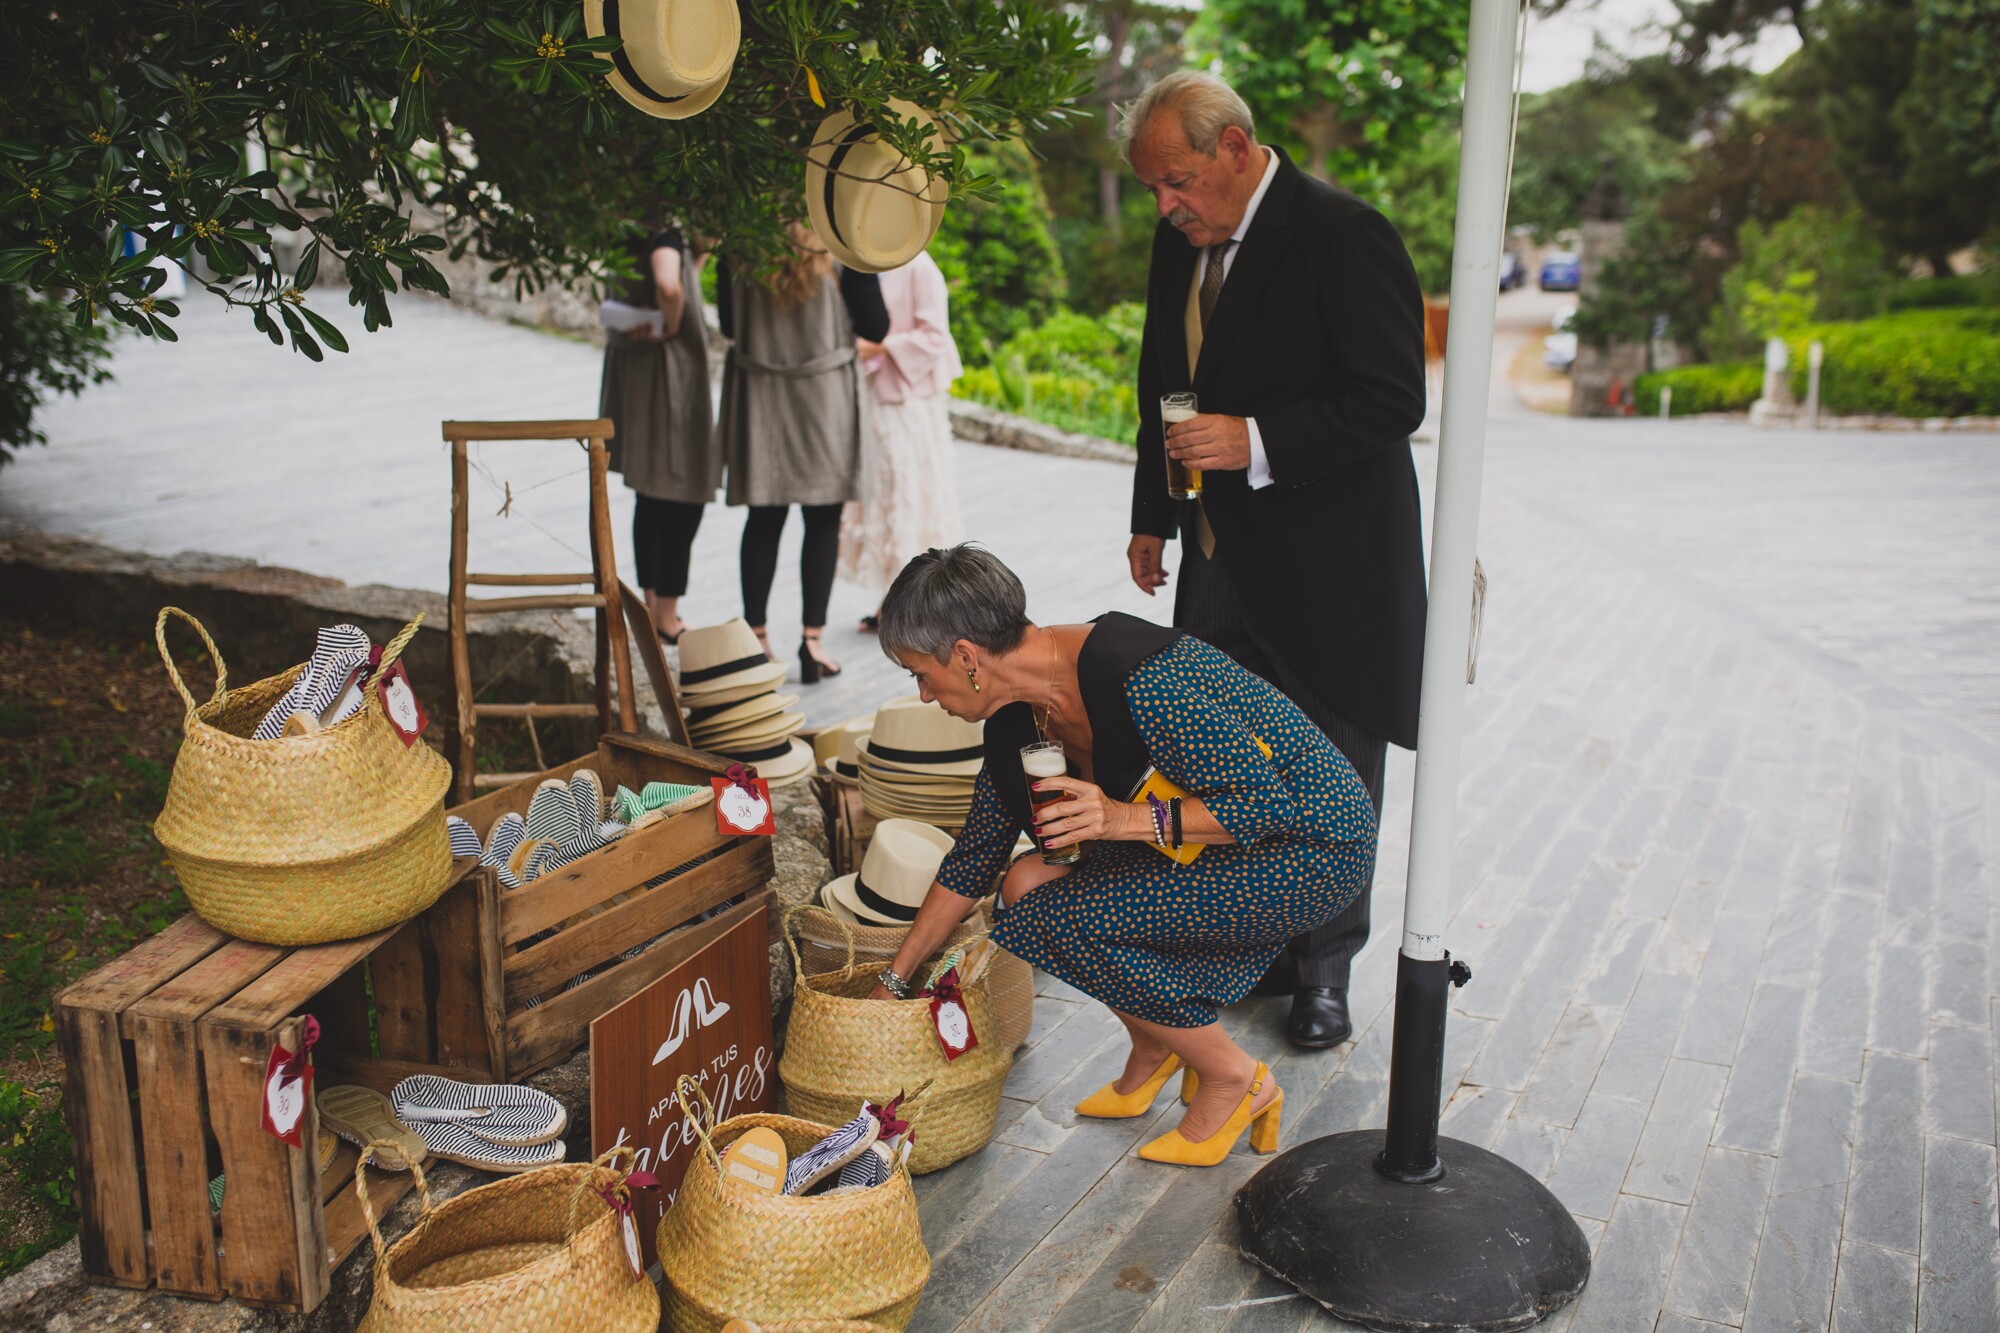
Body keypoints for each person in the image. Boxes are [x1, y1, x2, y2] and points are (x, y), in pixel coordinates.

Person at [867, 545, 1377, 1166]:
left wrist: (1122, 818)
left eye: (920, 674)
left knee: (1064, 919)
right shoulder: (1016, 719)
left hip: (1311, 846)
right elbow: (974, 858)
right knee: (1025, 884)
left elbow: (1264, 806)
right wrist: (895, 981)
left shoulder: (1142, 676)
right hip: (1204, 847)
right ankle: (1159, 1044)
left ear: (967, 657)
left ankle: (1232, 1077)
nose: (924, 695)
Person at [1120, 72, 1429, 1049]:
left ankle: (1324, 970)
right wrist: (1152, 516)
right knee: (1219, 760)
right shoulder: (1178, 244)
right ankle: (1256, 947)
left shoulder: (1345, 233)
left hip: (1333, 569)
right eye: (1152, 189)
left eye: (1175, 182)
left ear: (1235, 147)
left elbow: (1393, 397)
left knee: (1333, 768)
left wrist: (1252, 439)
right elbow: (1161, 385)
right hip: (1217, 559)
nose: (1164, 207)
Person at [716, 224, 891, 683]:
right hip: (824, 399)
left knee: (763, 517)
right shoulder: (844, 244)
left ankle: (756, 639)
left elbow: (729, 325)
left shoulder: (740, 242)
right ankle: (812, 642)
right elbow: (876, 325)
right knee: (823, 520)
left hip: (762, 396)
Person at [600, 225, 716, 644]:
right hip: (672, 380)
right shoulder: (666, 233)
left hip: (640, 379)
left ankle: (650, 606)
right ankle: (666, 615)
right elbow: (668, 282)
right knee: (685, 494)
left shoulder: (628, 227)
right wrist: (671, 323)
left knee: (650, 491)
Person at [839, 249, 965, 628]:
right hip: (875, 395)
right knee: (885, 498)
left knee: (910, 495)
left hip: (910, 402)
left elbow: (935, 336)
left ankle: (914, 600)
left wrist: (880, 346)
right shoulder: (860, 265)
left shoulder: (920, 266)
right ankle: (893, 598)